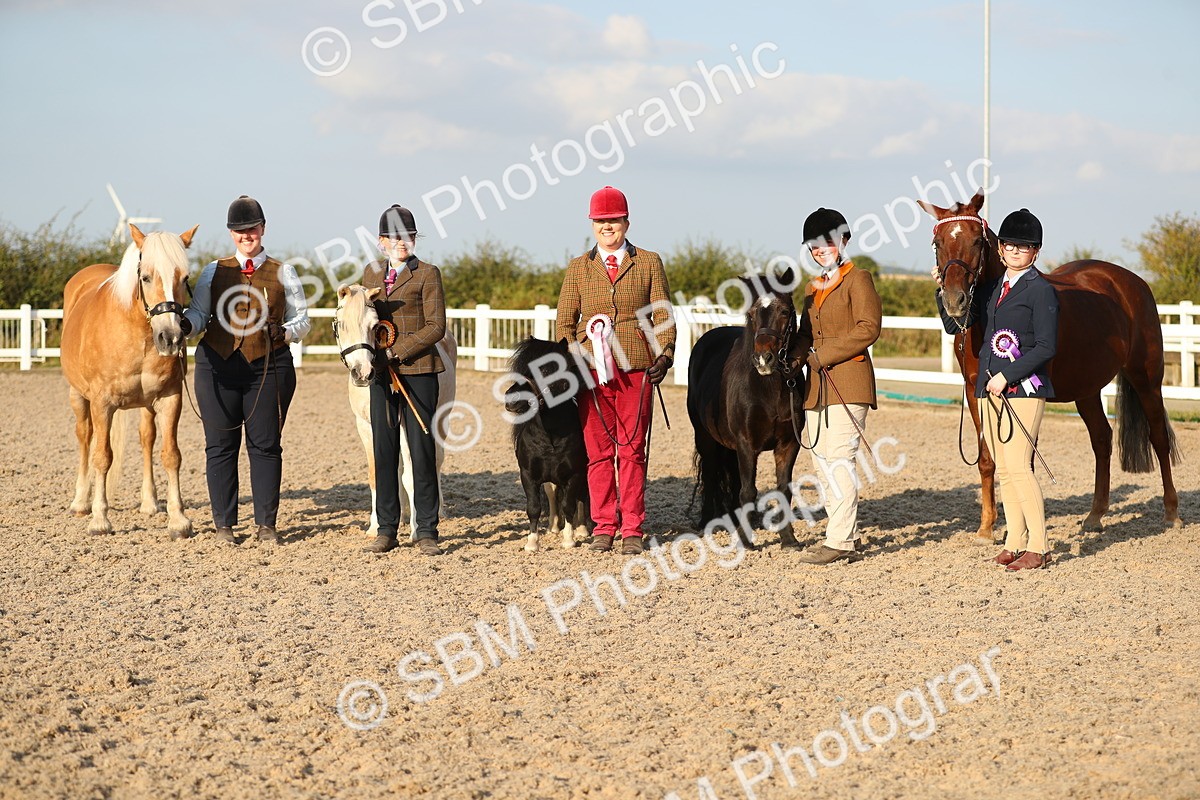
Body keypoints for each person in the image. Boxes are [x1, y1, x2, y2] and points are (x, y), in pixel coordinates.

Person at [182, 195, 311, 545]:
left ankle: (266, 524)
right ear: (231, 233)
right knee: (220, 445)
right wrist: (183, 327)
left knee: (266, 444)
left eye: (251, 229)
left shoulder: (284, 271)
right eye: (239, 231)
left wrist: (285, 332)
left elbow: (302, 320)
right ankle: (224, 524)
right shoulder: (214, 270)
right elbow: (199, 313)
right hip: (217, 365)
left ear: (263, 229)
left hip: (267, 366)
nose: (246, 236)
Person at [935, 208, 1057, 571]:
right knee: (1004, 468)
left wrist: (1007, 376)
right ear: (999, 249)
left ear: (1035, 252)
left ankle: (1040, 544)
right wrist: (940, 289)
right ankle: (1015, 540)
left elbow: (1046, 347)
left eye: (1025, 247)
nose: (1016, 251)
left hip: (1024, 389)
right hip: (990, 392)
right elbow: (956, 325)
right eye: (1010, 246)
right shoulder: (991, 290)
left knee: (1020, 467)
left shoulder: (1041, 290)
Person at [556, 186, 675, 555]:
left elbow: (662, 314)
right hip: (592, 372)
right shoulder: (578, 267)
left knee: (633, 450)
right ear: (592, 224)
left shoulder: (649, 262)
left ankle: (633, 527)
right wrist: (574, 356)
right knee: (598, 452)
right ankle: (604, 525)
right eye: (601, 221)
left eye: (614, 220)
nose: (608, 227)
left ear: (626, 221)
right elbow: (564, 322)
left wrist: (665, 352)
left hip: (636, 369)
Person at [794, 208, 882, 564]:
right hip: (816, 386)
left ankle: (841, 540)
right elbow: (803, 335)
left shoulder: (858, 278)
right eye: (813, 246)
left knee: (840, 459)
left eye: (826, 243)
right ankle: (842, 531)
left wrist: (823, 355)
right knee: (820, 462)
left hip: (848, 380)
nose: (820, 250)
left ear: (843, 241)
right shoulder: (812, 287)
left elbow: (868, 327)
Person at [360, 205, 447, 556]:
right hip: (381, 375)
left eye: (408, 236)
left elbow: (436, 326)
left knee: (421, 449)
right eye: (395, 237)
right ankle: (386, 528)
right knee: (384, 450)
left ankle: (426, 528)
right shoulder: (370, 273)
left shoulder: (427, 273)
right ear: (382, 241)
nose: (402, 242)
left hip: (419, 370)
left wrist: (398, 352)